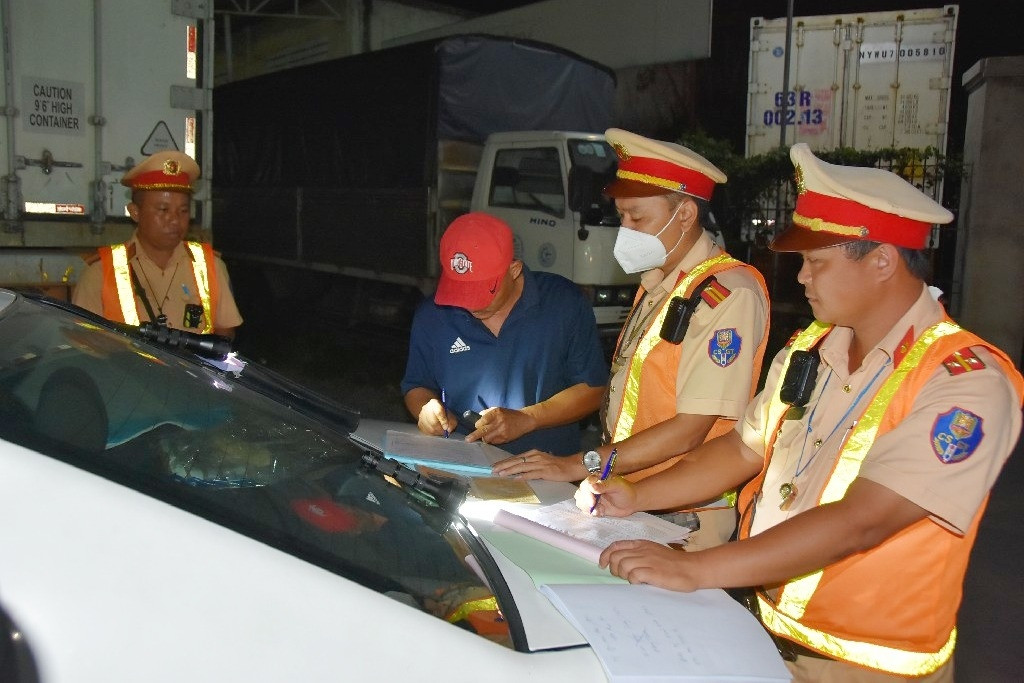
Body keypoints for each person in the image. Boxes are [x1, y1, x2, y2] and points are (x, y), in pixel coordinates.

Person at [577, 143, 1024, 682]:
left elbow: (864, 519)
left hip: (865, 666)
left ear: (882, 259)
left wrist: (694, 567)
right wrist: (637, 495)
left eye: (817, 262)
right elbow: (743, 447)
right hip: (767, 637)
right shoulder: (814, 348)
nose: (802, 278)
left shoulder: (966, 382)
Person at [493, 129, 770, 549]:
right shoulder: (659, 282)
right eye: (621, 216)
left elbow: (688, 431)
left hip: (682, 515)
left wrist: (580, 463)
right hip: (629, 498)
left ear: (685, 215)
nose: (626, 230)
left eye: (637, 218)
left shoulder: (725, 296)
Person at [401, 211, 607, 456]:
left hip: (546, 469)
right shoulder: (433, 315)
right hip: (460, 462)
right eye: (460, 291)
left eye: (482, 292)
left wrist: (528, 418)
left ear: (514, 270)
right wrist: (426, 411)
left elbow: (594, 389)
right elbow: (417, 385)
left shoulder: (563, 304)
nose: (471, 305)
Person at [73, 150, 243, 338]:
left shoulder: (210, 266)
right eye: (163, 210)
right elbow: (85, 344)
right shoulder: (101, 272)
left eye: (183, 210)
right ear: (135, 212)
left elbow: (225, 334)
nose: (174, 220)